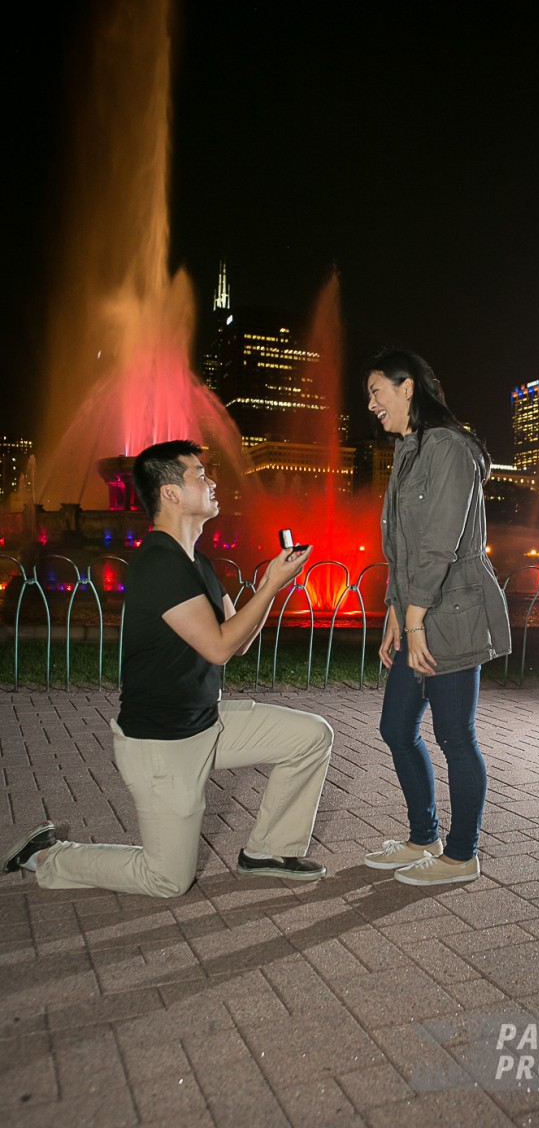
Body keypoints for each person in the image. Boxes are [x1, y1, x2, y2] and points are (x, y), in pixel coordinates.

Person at [2, 440, 332, 895]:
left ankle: (269, 850)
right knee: (168, 880)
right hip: (163, 743)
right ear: (171, 493)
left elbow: (237, 643)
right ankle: (44, 855)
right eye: (200, 474)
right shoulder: (159, 563)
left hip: (206, 723)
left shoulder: (196, 561)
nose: (213, 481)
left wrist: (269, 585)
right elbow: (218, 648)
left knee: (311, 735)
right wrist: (273, 585)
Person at [363, 350, 510, 885]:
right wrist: (394, 615)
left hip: (454, 610)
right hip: (421, 611)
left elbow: (439, 543)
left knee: (453, 734)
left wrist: (416, 619)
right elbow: (403, 547)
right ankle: (423, 837)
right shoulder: (409, 450)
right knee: (396, 728)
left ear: (408, 388)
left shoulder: (448, 448)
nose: (372, 404)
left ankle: (462, 854)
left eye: (377, 390)